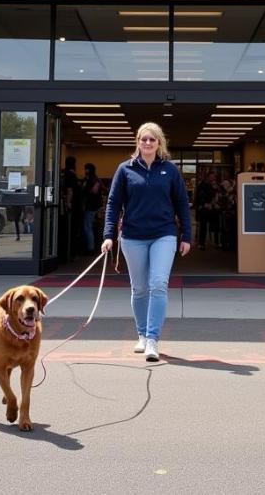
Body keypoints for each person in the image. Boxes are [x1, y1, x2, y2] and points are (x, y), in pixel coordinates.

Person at [101, 122, 192, 362]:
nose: (148, 143)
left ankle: (153, 339)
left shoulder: (170, 170)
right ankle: (141, 334)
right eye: (144, 139)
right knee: (139, 289)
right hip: (132, 237)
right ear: (138, 142)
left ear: (159, 142)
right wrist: (108, 236)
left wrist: (187, 236)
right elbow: (113, 204)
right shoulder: (125, 169)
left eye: (152, 139)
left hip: (164, 234)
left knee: (158, 284)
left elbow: (182, 203)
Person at [81, 162, 103, 254]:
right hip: (96, 206)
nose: (85, 171)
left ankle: (91, 248)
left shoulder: (92, 180)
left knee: (88, 226)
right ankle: (92, 246)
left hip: (91, 206)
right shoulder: (96, 179)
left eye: (86, 169)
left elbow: (93, 192)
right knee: (92, 226)